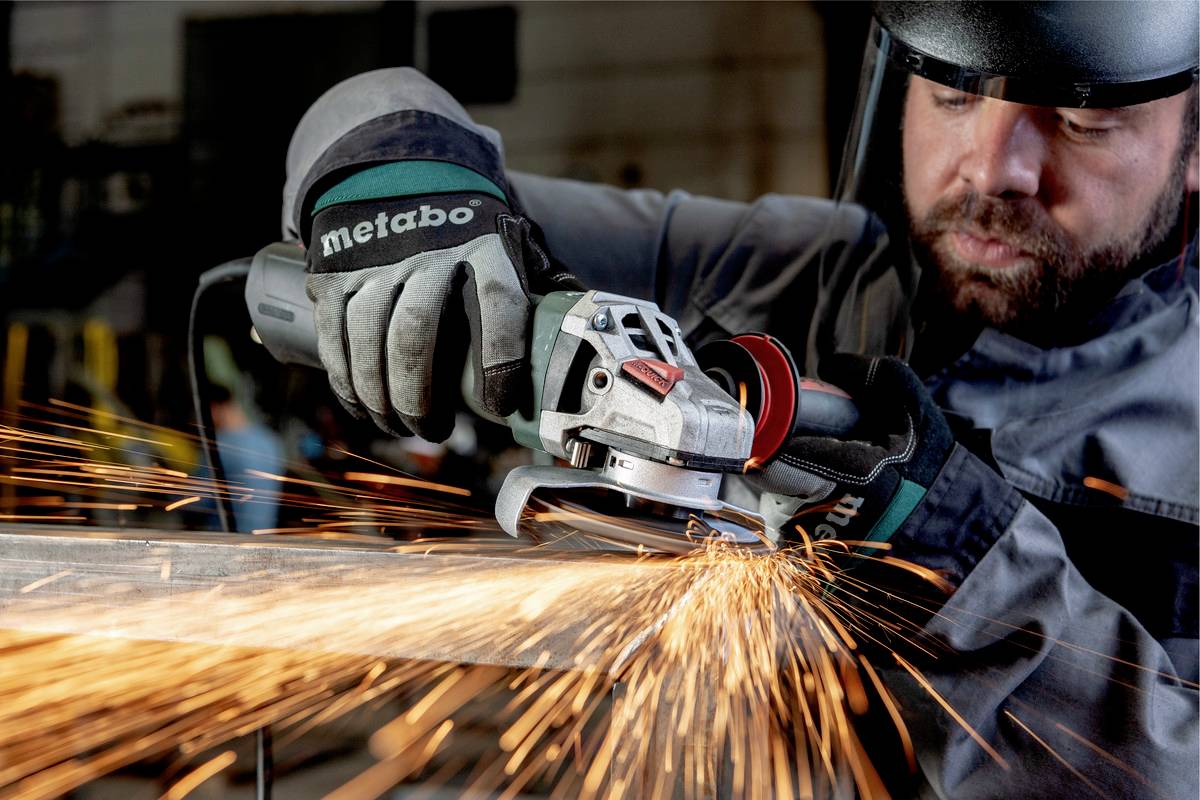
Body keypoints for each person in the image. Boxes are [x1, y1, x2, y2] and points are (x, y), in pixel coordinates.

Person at [279, 2, 1198, 796]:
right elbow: (385, 120)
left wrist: (948, 545)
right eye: (954, 97)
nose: (992, 169)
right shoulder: (780, 269)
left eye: (1080, 120)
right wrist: (402, 179)